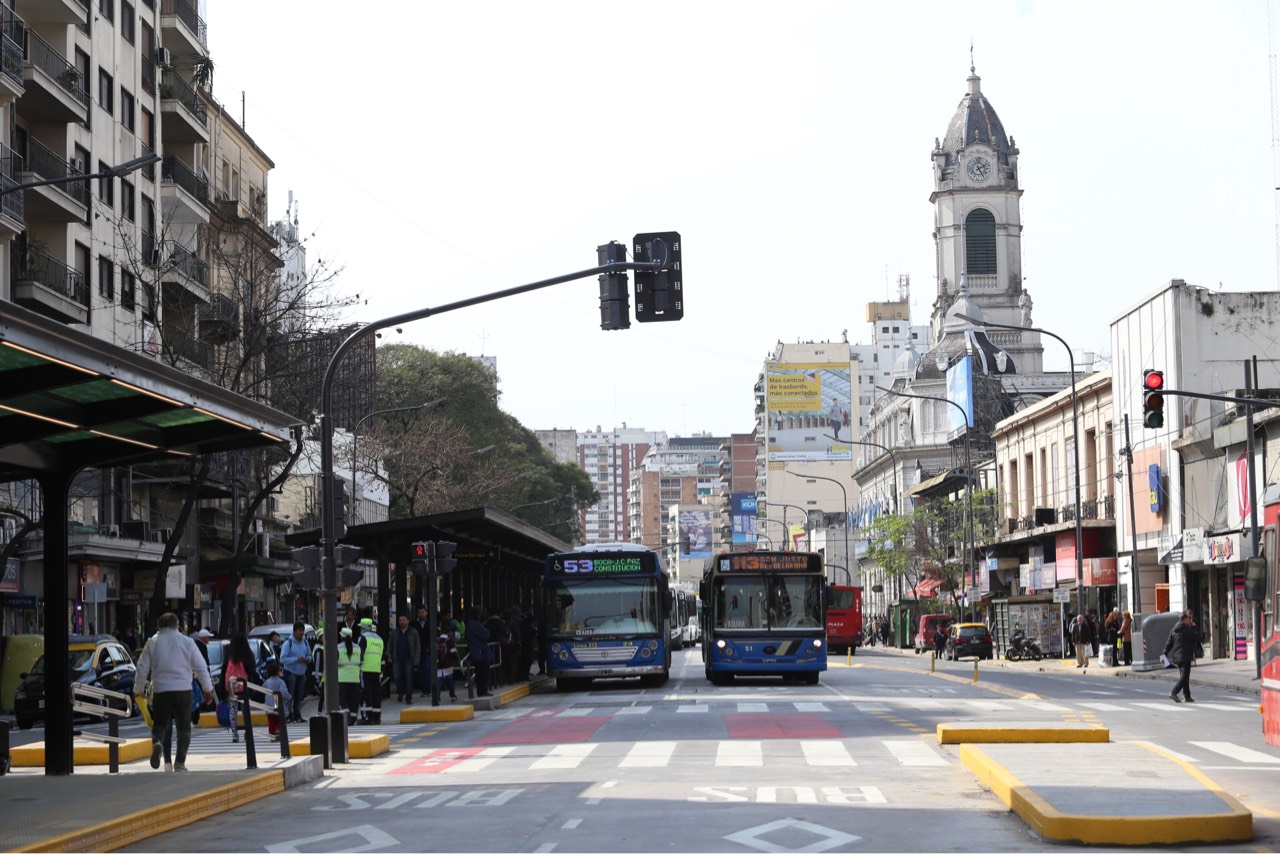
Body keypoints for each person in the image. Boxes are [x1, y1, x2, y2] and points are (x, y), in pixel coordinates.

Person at [133, 612, 216, 772]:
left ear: (159, 626)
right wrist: (208, 689)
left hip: (161, 690)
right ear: (177, 625)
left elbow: (142, 668)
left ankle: (158, 742)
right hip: (183, 689)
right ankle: (180, 762)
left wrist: (138, 689)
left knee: (160, 724)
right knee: (184, 728)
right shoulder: (187, 642)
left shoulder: (152, 642)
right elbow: (201, 667)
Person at [1163, 610, 1202, 703]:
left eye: (1192, 618)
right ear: (1184, 619)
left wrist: (1164, 654)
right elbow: (1198, 637)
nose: (1191, 620)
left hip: (1177, 657)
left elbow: (1169, 643)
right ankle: (1174, 692)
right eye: (1189, 618)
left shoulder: (1174, 629)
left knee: (1184, 677)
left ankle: (1187, 695)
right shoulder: (1186, 629)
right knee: (1184, 677)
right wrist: (1194, 627)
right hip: (1185, 656)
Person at [224, 633, 256, 743]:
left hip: (231, 687)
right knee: (245, 711)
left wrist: (223, 690)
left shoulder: (229, 655)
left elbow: (224, 671)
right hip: (245, 687)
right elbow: (252, 671)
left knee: (233, 710)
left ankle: (235, 734)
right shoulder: (248, 654)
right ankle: (247, 732)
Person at [278, 622, 311, 723]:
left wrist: (307, 659)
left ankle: (297, 715)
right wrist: (296, 659)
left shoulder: (305, 642)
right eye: (300, 630)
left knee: (299, 696)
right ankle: (289, 715)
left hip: (302, 673)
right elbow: (283, 659)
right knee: (290, 695)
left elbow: (310, 655)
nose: (301, 633)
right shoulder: (288, 643)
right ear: (294, 631)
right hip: (290, 673)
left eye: (302, 631)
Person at [357, 617, 384, 724]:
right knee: (376, 693)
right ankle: (377, 717)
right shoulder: (379, 639)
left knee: (365, 694)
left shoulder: (363, 638)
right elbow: (382, 656)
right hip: (376, 670)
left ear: (363, 628)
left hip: (365, 669)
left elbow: (359, 653)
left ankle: (367, 717)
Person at [389, 614, 420, 705]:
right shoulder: (395, 632)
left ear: (408, 621)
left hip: (409, 659)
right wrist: (389, 655)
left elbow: (417, 646)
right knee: (397, 677)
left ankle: (408, 697)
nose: (402, 622)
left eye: (403, 620)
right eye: (400, 620)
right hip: (397, 659)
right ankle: (401, 691)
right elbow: (389, 644)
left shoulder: (413, 632)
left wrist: (416, 660)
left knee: (409, 679)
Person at [336, 627, 363, 726]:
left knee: (343, 700)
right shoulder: (358, 648)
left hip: (342, 678)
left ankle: (347, 718)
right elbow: (362, 662)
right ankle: (353, 718)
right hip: (355, 678)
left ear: (341, 636)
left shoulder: (337, 647)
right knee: (354, 700)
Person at [465, 607, 493, 697]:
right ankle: (482, 690)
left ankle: (482, 690)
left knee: (481, 671)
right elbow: (486, 634)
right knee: (483, 672)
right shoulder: (474, 624)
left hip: (477, 651)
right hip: (480, 651)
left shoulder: (470, 623)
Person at [261, 661, 291, 740]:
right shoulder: (281, 682)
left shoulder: (266, 682)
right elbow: (284, 692)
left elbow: (262, 691)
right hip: (278, 704)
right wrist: (289, 697)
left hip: (269, 706)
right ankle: (278, 730)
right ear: (278, 672)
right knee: (280, 721)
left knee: (271, 722)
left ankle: (272, 735)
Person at [437, 630, 459, 702]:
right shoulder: (449, 641)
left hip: (438, 665)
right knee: (450, 681)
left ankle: (437, 697)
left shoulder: (437, 640)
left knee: (438, 681)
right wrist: (456, 659)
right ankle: (452, 696)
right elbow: (453, 652)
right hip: (448, 664)